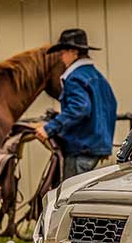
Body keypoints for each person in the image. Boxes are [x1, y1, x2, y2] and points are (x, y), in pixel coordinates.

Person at [35, 29, 117, 179]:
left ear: (73, 52)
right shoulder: (97, 77)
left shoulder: (74, 78)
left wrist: (49, 128)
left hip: (80, 149)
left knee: (71, 194)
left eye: (63, 53)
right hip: (95, 147)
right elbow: (110, 106)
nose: (61, 58)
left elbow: (79, 108)